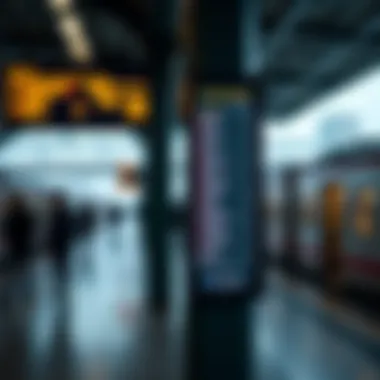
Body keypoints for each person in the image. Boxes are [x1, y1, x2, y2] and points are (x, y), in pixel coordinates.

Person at [1, 193, 35, 311]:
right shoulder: (20, 215)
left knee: (17, 271)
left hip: (17, 247)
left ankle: (16, 294)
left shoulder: (17, 216)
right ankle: (18, 293)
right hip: (18, 247)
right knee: (18, 271)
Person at [47, 194, 72, 299]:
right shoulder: (60, 214)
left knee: (61, 260)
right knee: (60, 260)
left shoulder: (61, 214)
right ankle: (61, 277)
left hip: (61, 242)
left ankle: (62, 278)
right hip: (60, 242)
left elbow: (61, 230)